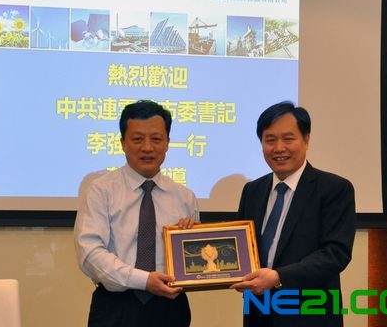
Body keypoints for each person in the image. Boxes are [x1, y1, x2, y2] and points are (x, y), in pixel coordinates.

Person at [74, 99, 200, 327]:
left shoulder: (184, 197)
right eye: (138, 139)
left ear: (167, 143)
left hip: (171, 307)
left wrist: (194, 243)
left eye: (156, 139)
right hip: (116, 306)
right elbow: (90, 253)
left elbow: (193, 265)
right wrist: (144, 280)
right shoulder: (101, 191)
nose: (147, 148)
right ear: (123, 143)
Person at [230, 101, 356, 327]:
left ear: (306, 140)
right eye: (270, 140)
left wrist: (278, 278)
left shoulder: (335, 189)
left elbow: (335, 254)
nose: (279, 148)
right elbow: (240, 248)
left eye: (288, 139)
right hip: (258, 313)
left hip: (309, 316)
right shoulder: (252, 191)